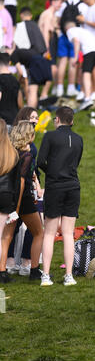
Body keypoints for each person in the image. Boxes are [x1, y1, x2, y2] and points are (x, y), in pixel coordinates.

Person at [37, 106, 83, 287]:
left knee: (49, 233)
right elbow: (76, 163)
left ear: (57, 120)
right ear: (71, 121)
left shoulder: (49, 136)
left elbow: (40, 161)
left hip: (55, 186)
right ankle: (69, 275)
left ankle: (46, 276)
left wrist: (52, 172)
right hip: (73, 186)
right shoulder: (79, 139)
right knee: (68, 233)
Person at [0, 121, 44, 283]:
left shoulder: (11, 152)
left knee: (7, 236)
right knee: (39, 232)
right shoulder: (26, 155)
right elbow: (22, 182)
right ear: (30, 136)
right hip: (22, 201)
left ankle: (2, 271)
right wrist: (16, 209)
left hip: (10, 198)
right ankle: (33, 269)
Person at [65, 20, 95, 110]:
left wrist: (76, 57)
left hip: (89, 51)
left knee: (86, 74)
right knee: (92, 72)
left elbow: (76, 42)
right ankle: (93, 94)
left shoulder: (70, 31)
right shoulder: (82, 30)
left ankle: (87, 98)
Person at [0, 118, 19, 283]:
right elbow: (16, 183)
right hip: (6, 197)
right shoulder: (12, 153)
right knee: (1, 236)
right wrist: (14, 206)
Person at [38, 0, 63, 100]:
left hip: (50, 44)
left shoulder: (51, 15)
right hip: (47, 44)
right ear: (53, 2)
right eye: (59, 2)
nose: (61, 5)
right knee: (52, 69)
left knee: (51, 69)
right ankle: (43, 94)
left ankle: (42, 93)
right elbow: (45, 31)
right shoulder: (48, 14)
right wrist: (46, 48)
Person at [0, 52, 23, 128]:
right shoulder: (15, 80)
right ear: (9, 62)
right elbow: (20, 103)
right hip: (14, 121)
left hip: (2, 122)